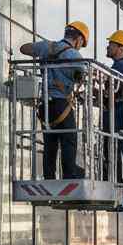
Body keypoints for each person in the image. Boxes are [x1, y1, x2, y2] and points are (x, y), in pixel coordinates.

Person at [20, 20, 89, 179]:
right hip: (61, 104)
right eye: (81, 43)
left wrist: (44, 51)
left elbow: (24, 48)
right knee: (69, 139)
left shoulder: (47, 46)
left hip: (45, 105)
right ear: (78, 38)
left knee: (50, 143)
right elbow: (84, 77)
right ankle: (70, 174)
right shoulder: (74, 54)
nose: (80, 46)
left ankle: (49, 176)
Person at [102, 29, 123, 182]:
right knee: (116, 146)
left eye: (111, 45)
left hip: (116, 113)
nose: (108, 47)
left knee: (111, 145)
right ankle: (118, 178)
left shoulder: (120, 66)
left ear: (120, 48)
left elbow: (111, 92)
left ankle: (114, 179)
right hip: (119, 112)